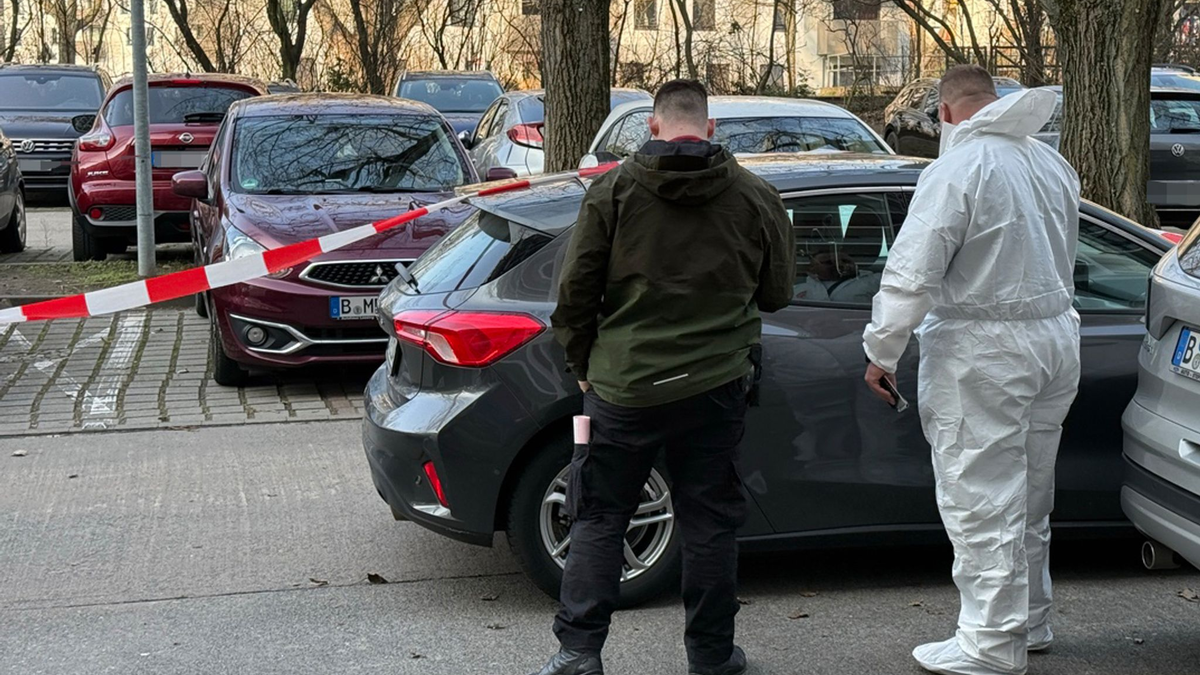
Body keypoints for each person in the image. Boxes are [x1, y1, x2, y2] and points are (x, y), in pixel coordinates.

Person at [533, 79, 795, 675]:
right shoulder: (755, 196)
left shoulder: (613, 192)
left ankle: (577, 654)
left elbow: (574, 296)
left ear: (651, 127)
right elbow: (776, 294)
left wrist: (585, 369)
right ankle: (710, 657)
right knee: (708, 522)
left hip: (624, 388)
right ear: (709, 128)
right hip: (715, 385)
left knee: (599, 516)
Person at [862, 65, 1082, 675]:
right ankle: (1028, 620)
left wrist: (882, 349)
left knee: (981, 493)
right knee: (1031, 492)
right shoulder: (1049, 164)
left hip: (985, 348)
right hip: (1054, 340)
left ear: (948, 113)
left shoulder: (959, 169)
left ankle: (991, 643)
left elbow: (913, 270)